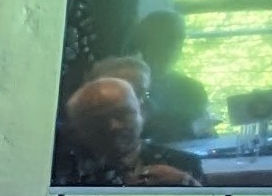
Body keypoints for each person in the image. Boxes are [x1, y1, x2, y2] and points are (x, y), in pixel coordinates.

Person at [56, 76, 200, 187]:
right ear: (78, 127)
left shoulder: (181, 162)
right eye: (99, 119)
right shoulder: (60, 169)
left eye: (122, 114)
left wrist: (185, 183)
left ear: (141, 112)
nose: (113, 126)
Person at [127, 11, 214, 143]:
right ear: (144, 41)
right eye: (168, 38)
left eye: (180, 38)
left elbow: (208, 135)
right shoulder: (125, 87)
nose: (175, 45)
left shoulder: (192, 89)